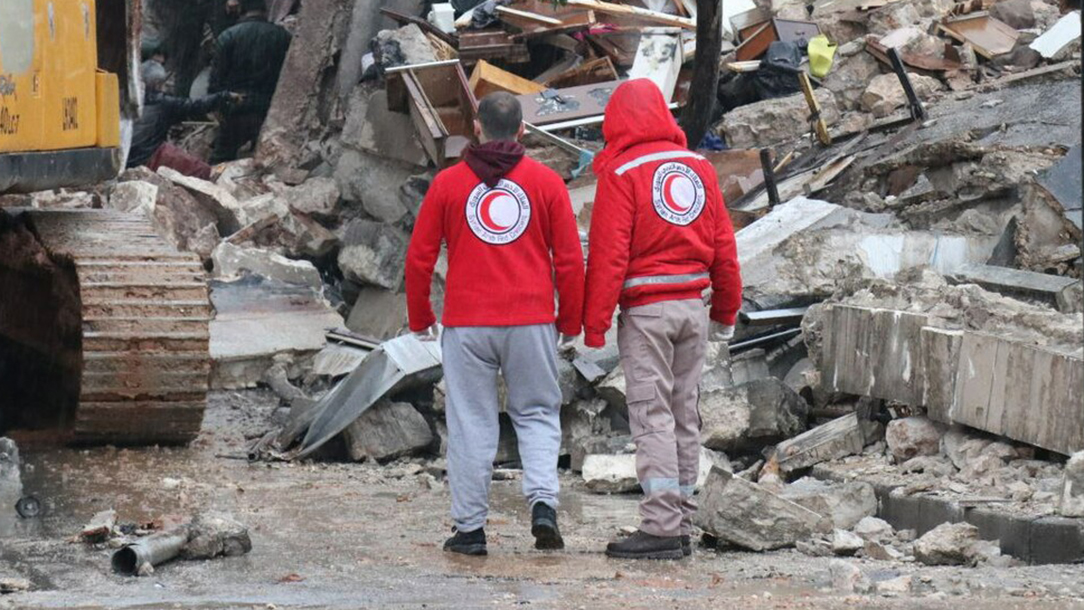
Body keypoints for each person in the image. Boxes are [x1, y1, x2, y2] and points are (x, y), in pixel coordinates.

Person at [405, 92, 585, 556]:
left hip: (467, 323)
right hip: (531, 319)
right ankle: (543, 503)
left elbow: (420, 258)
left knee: (470, 422)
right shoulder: (547, 183)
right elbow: (568, 260)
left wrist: (421, 317)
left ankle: (470, 531)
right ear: (523, 130)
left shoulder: (447, 185)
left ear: (477, 129)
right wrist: (571, 320)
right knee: (538, 412)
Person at [583, 79, 742, 560]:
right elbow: (724, 247)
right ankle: (681, 518)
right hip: (693, 308)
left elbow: (609, 256)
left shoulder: (621, 172)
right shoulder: (699, 168)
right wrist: (726, 309)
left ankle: (661, 526)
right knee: (683, 415)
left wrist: (593, 324)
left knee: (651, 416)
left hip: (647, 312)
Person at [208, 0, 290, 163]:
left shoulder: (228, 36)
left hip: (235, 109)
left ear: (241, 8)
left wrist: (217, 107)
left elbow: (216, 81)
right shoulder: (284, 37)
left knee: (220, 161)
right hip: (268, 110)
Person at [128, 59, 237, 179]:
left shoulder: (125, 100)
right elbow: (195, 105)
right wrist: (223, 96)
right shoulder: (163, 103)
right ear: (157, 85)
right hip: (147, 154)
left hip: (127, 155)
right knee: (202, 170)